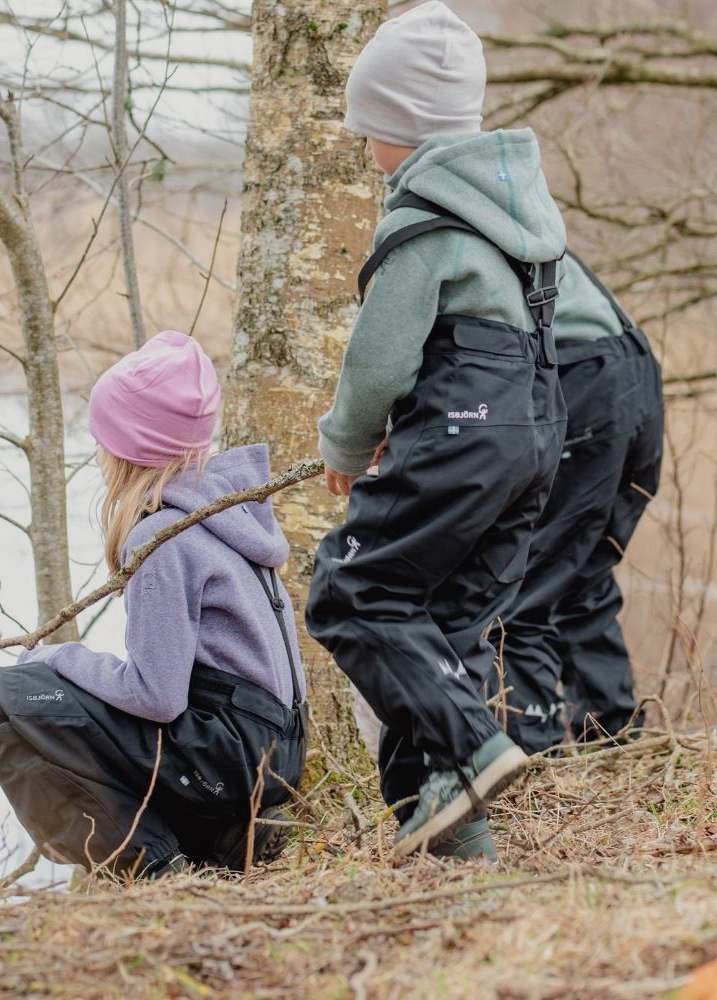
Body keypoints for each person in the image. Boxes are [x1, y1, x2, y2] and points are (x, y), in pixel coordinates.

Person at [305, 1, 568, 860]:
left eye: (371, 130)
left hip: (468, 430)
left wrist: (346, 450)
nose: (365, 146)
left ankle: (480, 753)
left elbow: (378, 365)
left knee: (350, 589)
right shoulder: (518, 219)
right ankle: (456, 839)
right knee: (442, 631)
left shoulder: (422, 223)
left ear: (407, 133)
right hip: (533, 437)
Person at [0, 331, 308, 878]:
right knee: (85, 710)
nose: (99, 450)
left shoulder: (164, 538)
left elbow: (155, 697)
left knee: (1, 694)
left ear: (128, 448)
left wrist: (59, 658)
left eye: (103, 438)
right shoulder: (231, 514)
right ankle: (215, 843)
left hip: (232, 755)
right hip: (274, 755)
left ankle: (155, 868)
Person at [498, 253, 664, 753]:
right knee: (582, 575)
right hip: (633, 373)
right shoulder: (517, 209)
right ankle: (613, 742)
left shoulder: (439, 222)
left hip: (584, 376)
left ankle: (536, 756)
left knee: (526, 585)